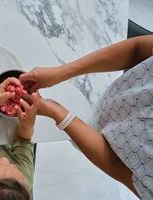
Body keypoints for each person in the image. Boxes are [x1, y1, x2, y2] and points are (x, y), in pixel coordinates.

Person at [20, 35, 153, 199]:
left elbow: (114, 164)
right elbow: (137, 49)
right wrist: (61, 72)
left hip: (96, 139)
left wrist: (56, 111)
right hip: (102, 99)